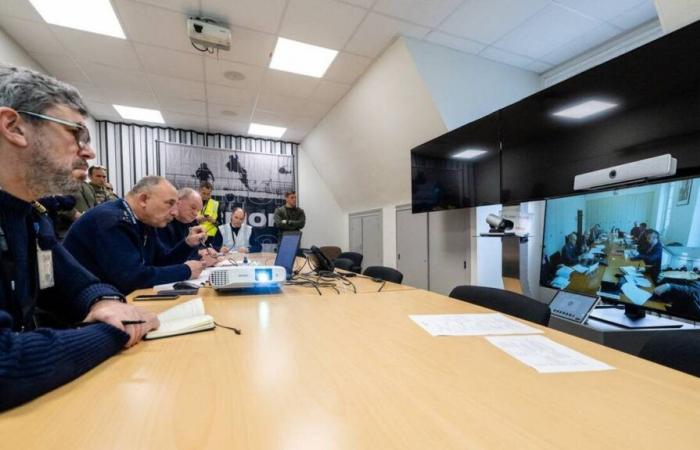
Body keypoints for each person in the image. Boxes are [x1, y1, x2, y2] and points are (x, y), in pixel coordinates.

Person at [0, 65, 158, 411]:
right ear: (13, 127)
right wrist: (116, 330)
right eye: (76, 134)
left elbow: (70, 281)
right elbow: (4, 367)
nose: (88, 153)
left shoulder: (31, 214)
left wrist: (101, 302)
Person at [63, 176, 211, 295]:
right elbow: (131, 278)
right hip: (80, 311)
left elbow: (162, 261)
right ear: (143, 199)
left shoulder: (145, 222)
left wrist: (187, 244)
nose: (174, 211)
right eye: (170, 203)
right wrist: (185, 270)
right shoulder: (110, 220)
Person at [157, 187, 203, 257]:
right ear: (178, 201)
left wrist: (204, 252)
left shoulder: (194, 224)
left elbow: (196, 250)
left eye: (198, 211)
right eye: (193, 207)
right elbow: (164, 258)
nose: (196, 213)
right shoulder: (162, 223)